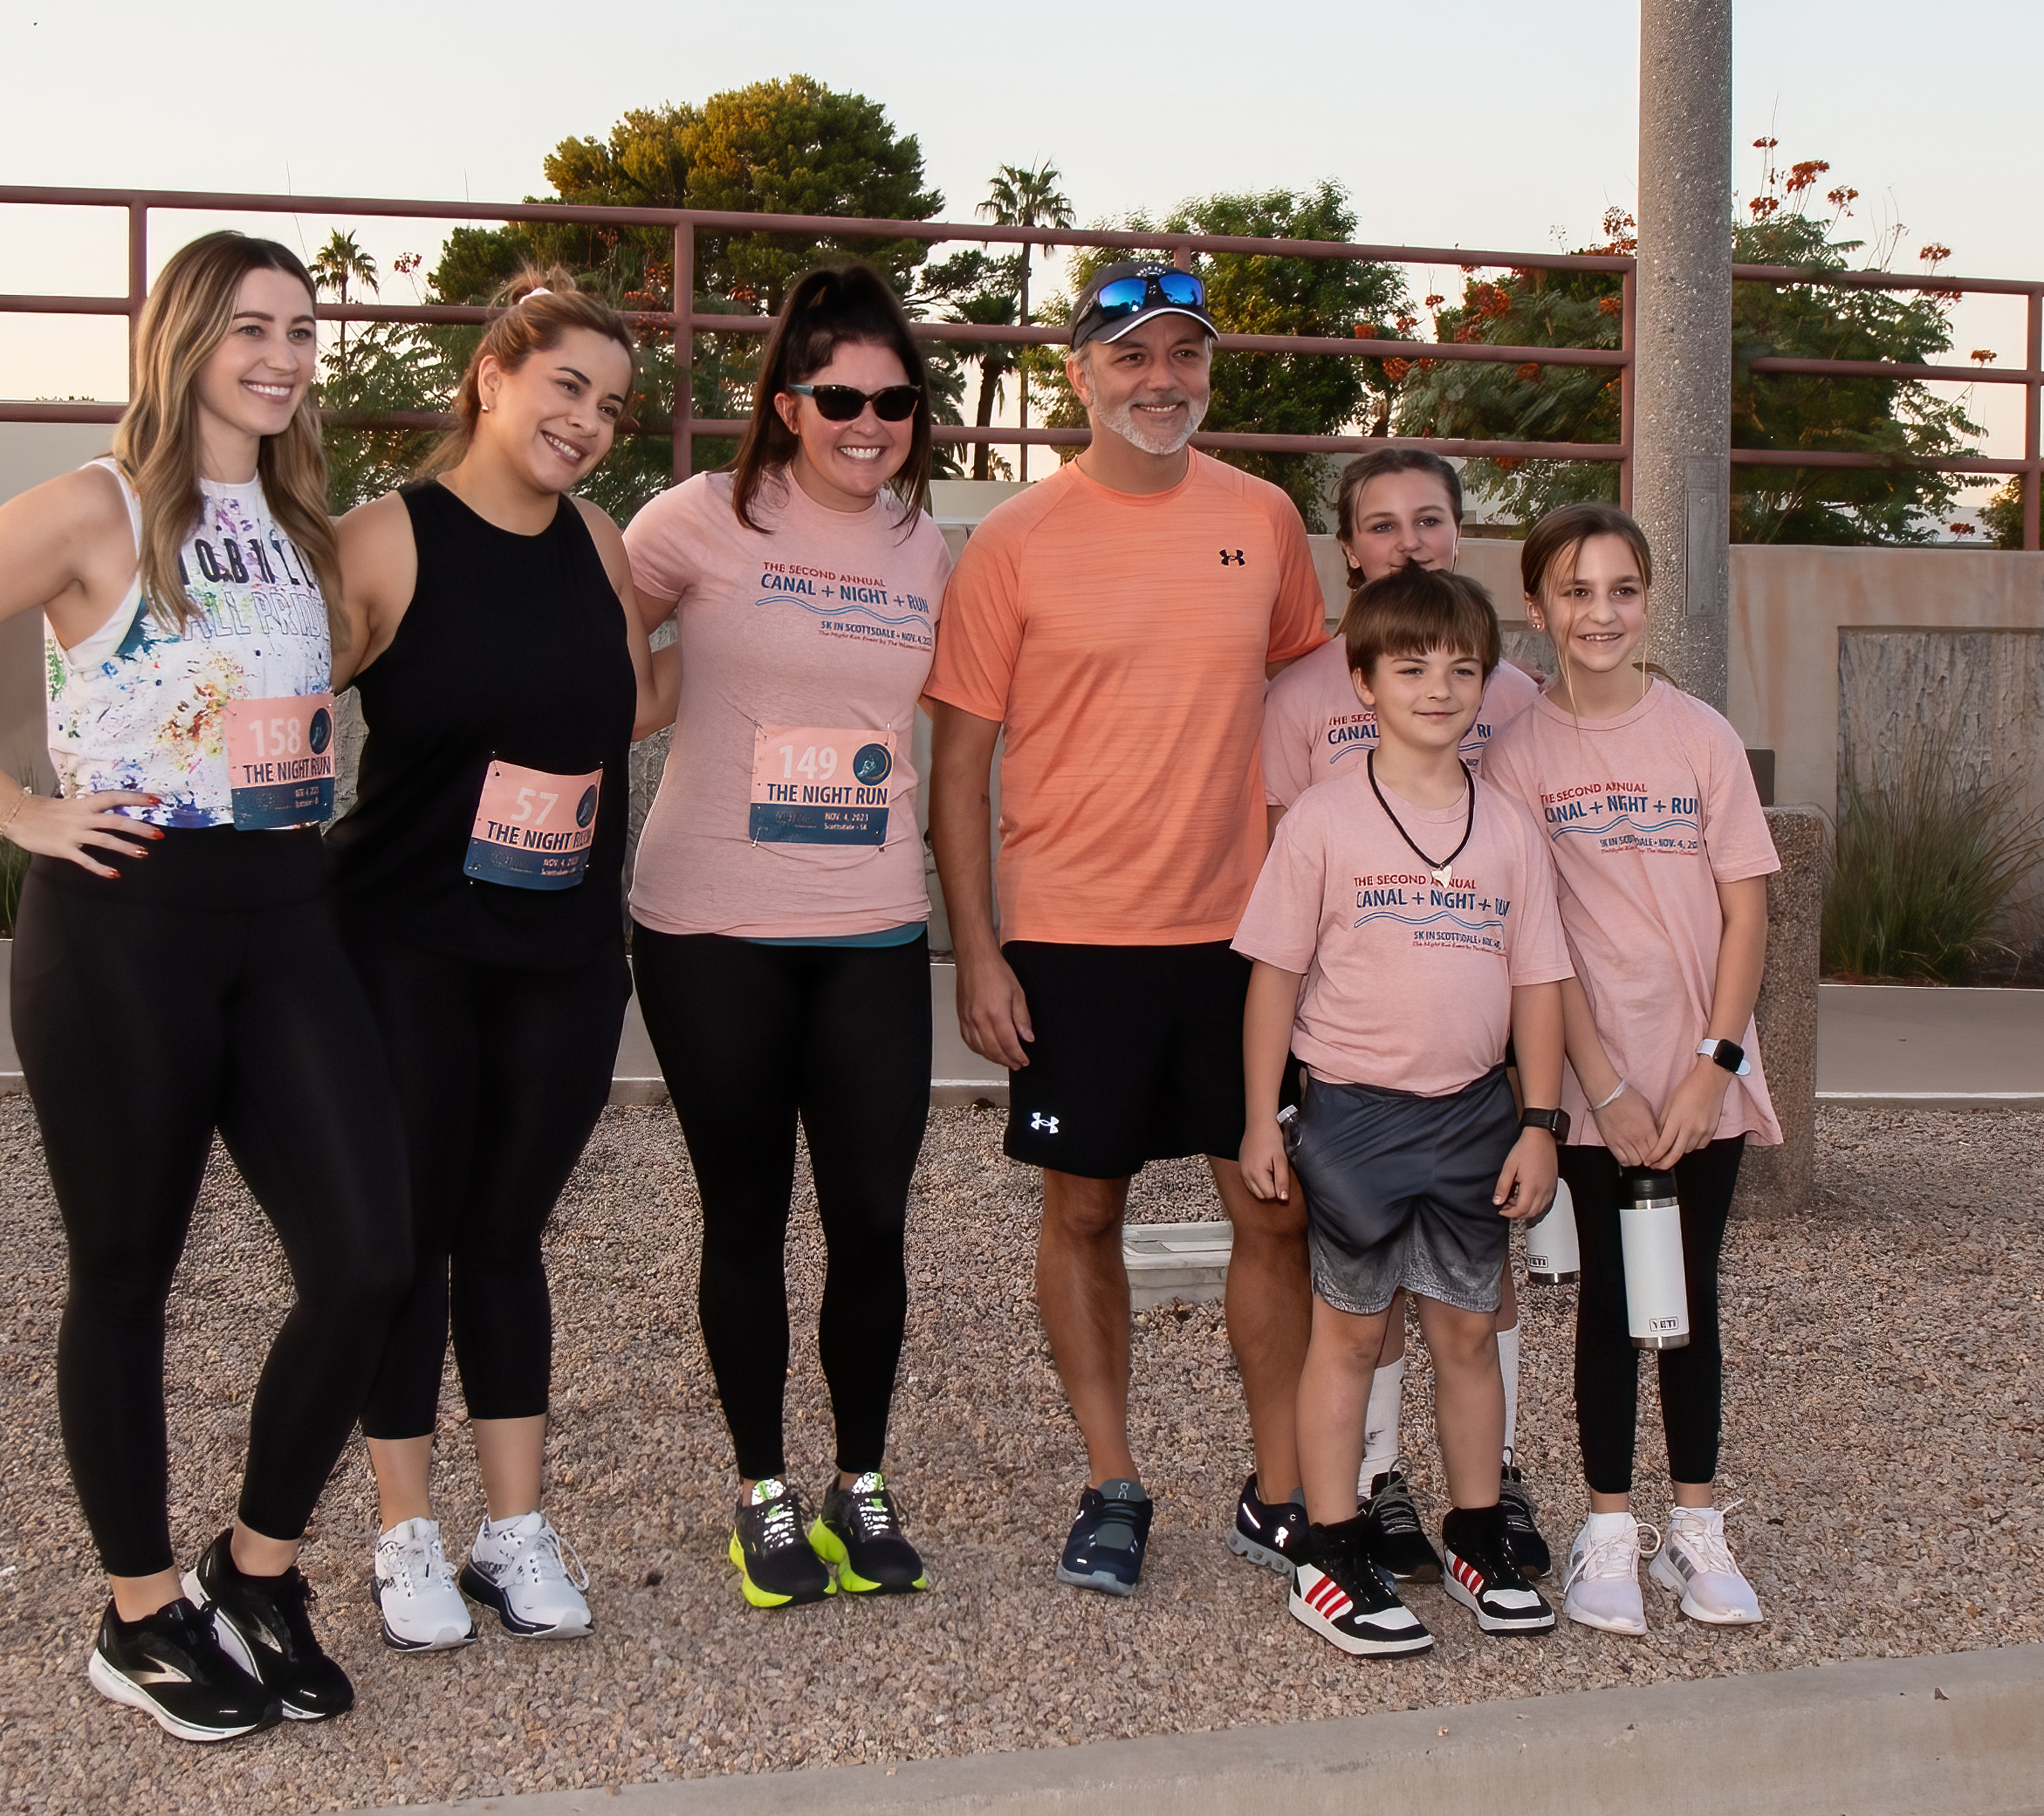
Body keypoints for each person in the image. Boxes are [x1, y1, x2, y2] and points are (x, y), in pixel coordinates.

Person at [0, 231, 412, 1740]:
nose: (284, 356)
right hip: (124, 925)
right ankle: (142, 1610)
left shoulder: (303, 524)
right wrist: (11, 805)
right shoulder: (94, 506)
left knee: (367, 1253)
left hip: (286, 920)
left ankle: (260, 1567)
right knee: (126, 1274)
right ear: (182, 340)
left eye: (301, 329)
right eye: (251, 329)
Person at [924, 259, 1327, 1600]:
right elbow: (959, 769)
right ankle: (1112, 1482)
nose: (1162, 382)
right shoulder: (1014, 542)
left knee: (1270, 1212)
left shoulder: (1264, 520)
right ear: (1080, 375)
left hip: (1237, 939)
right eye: (1132, 358)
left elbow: (1310, 705)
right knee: (1081, 1210)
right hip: (1071, 940)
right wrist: (977, 952)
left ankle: (1280, 1491)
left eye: (1185, 358)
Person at [330, 269, 654, 1648]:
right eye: (565, 386)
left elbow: (633, 696)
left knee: (507, 1234)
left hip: (563, 950)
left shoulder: (600, 541)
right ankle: (405, 1532)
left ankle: (512, 1533)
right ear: (493, 377)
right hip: (405, 947)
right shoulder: (386, 538)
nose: (586, 421)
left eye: (613, 406)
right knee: (401, 1241)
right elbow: (276, 710)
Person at [622, 266, 955, 1609]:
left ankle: (858, 1480)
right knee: (745, 1212)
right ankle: (760, 1487)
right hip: (709, 928)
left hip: (870, 927)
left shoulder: (926, 546)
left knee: (871, 1217)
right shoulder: (696, 520)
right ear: (785, 402)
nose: (865, 423)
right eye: (838, 398)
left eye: (891, 400)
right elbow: (584, 650)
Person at [1234, 565, 1569, 1657]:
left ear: (1488, 682)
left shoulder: (1510, 830)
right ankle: (1329, 1553)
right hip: (1352, 1117)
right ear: (1363, 680)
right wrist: (1257, 1118)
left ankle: (1475, 1532)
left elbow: (1537, 987)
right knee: (1350, 1333)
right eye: (1412, 666)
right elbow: (1273, 979)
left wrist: (1540, 1123)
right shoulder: (1326, 821)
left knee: (1468, 1329)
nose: (1439, 687)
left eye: (1462, 668)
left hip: (1474, 1113)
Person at [1481, 504, 1780, 1637]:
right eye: (1573, 590)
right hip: (1598, 1087)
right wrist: (1599, 1091)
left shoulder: (1698, 735)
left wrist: (1710, 1066)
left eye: (1618, 589)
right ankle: (1608, 1526)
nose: (1597, 613)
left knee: (1688, 1296)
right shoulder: (1516, 759)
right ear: (1537, 606)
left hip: (1699, 1076)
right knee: (1608, 1304)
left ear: (1645, 599)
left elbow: (1745, 909)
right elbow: (1534, 949)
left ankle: (1694, 1526)